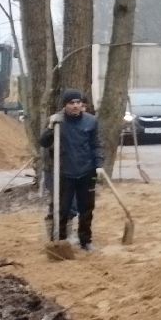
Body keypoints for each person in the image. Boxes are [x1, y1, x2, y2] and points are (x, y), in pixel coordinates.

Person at [39, 89, 103, 251]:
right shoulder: (58, 122)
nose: (75, 106)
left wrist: (99, 165)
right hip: (64, 172)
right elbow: (44, 143)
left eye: (78, 102)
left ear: (82, 104)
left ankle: (85, 240)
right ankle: (60, 240)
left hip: (86, 171)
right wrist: (51, 127)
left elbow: (96, 145)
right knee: (62, 208)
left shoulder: (91, 122)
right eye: (71, 103)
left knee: (86, 208)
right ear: (65, 106)